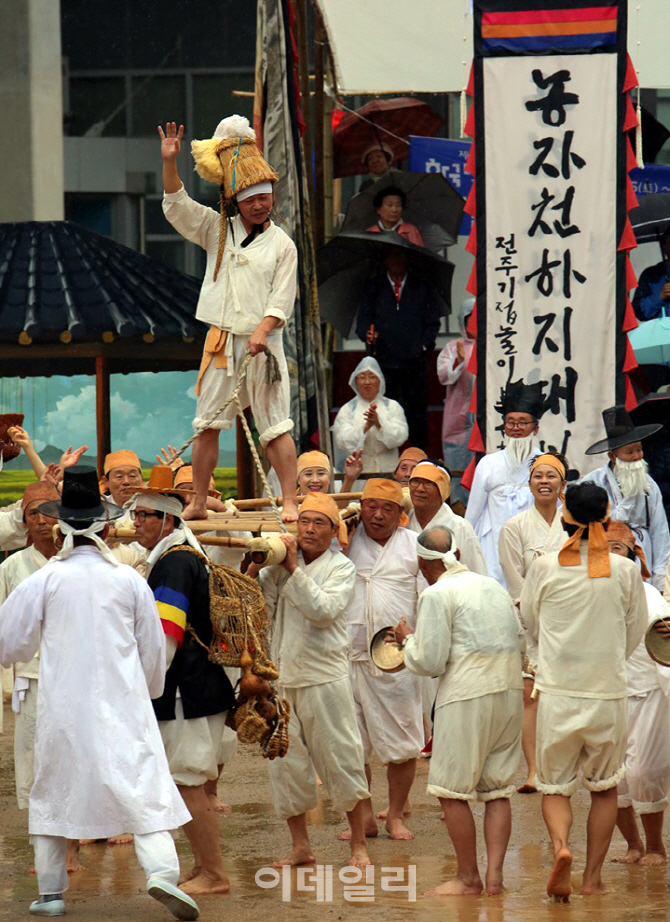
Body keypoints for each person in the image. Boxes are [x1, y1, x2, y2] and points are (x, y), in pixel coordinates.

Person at [0, 466, 197, 920]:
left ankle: (51, 892)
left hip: (62, 707)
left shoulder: (45, 579)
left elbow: (9, 643)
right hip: (122, 704)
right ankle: (162, 873)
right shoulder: (127, 580)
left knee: (53, 790)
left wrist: (40, 647)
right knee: (142, 784)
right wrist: (145, 693)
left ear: (60, 526)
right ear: (107, 527)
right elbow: (152, 653)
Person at [159, 117, 299, 523]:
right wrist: (170, 163)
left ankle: (289, 500)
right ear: (234, 199)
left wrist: (262, 330)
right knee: (207, 424)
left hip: (263, 344)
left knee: (275, 426)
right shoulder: (216, 229)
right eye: (250, 199)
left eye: (265, 197)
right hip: (221, 341)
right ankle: (200, 500)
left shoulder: (282, 244)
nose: (259, 204)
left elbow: (281, 298)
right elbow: (177, 205)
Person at [520, 482, 647, 900]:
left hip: (557, 692)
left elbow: (532, 624)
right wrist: (607, 660)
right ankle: (592, 880)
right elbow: (633, 634)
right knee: (605, 788)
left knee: (554, 787)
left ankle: (561, 848)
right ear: (605, 517)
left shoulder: (543, 566)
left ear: (564, 515)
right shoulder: (626, 571)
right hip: (607, 692)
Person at [395, 525, 522, 896]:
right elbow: (516, 636)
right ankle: (495, 877)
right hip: (509, 690)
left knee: (452, 791)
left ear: (422, 563)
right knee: (498, 789)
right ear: (459, 556)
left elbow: (429, 660)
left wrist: (407, 641)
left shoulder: (436, 594)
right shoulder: (492, 586)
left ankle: (468, 877)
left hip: (467, 695)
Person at [130, 467, 235, 896]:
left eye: (145, 515)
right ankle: (204, 867)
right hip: (194, 689)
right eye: (134, 514)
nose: (136, 521)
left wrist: (141, 687)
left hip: (183, 692)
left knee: (189, 782)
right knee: (186, 782)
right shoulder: (180, 557)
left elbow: (166, 638)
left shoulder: (174, 564)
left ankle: (215, 873)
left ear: (169, 521)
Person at [251, 493, 371, 868]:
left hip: (325, 678)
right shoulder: (276, 567)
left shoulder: (342, 568)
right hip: (283, 678)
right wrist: (254, 573)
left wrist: (294, 570)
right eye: (304, 521)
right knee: (285, 765)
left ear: (335, 531)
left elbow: (323, 611)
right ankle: (300, 846)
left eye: (320, 523)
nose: (310, 529)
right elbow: (262, 617)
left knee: (342, 758)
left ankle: (359, 848)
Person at [346, 479, 424, 840]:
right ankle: (363, 816)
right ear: (361, 506)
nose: (377, 514)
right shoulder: (344, 540)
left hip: (395, 657)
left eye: (387, 508)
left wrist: (419, 638)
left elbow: (428, 596)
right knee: (351, 742)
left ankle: (395, 814)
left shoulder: (414, 546)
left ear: (400, 514)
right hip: (348, 654)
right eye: (371, 506)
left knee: (403, 742)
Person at [498, 453, 568, 794]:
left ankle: (563, 766)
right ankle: (533, 770)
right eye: (538, 476)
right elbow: (515, 582)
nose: (544, 481)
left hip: (570, 621)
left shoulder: (574, 525)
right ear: (529, 484)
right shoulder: (514, 528)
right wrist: (535, 622)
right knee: (531, 696)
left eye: (551, 476)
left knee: (565, 695)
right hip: (528, 620)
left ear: (562, 484)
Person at [605, 521, 670, 867]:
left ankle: (657, 847)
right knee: (610, 777)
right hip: (607, 694)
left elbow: (665, 646)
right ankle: (634, 846)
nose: (612, 556)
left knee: (645, 772)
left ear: (633, 557)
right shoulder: (590, 590)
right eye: (606, 550)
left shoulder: (650, 595)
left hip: (648, 692)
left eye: (619, 549)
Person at [356, 247, 440, 449]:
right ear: (385, 259)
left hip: (414, 360)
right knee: (386, 409)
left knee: (417, 411)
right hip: (384, 359)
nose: (397, 261)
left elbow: (432, 323)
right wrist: (368, 335)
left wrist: (422, 344)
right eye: (392, 256)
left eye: (401, 256)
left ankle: (420, 453)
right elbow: (363, 322)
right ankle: (388, 450)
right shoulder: (373, 287)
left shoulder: (420, 286)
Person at [581, 405, 670, 592]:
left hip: (641, 554)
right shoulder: (593, 483)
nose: (637, 456)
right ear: (613, 456)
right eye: (630, 452)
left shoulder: (649, 486)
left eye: (639, 450)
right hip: (603, 555)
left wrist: (659, 578)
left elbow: (659, 532)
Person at [465, 381, 544, 587]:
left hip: (534, 544)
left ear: (535, 428)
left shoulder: (546, 464)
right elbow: (473, 511)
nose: (516, 428)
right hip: (493, 544)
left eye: (522, 422)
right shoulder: (489, 463)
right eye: (510, 422)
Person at [331, 357, 408, 481]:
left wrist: (379, 424)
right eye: (362, 377)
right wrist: (365, 427)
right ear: (355, 381)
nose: (367, 382)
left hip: (389, 473)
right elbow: (342, 441)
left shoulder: (392, 406)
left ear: (380, 381)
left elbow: (400, 437)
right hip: (359, 476)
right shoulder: (348, 409)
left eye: (372, 377)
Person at [408, 461, 487, 576]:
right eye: (415, 481)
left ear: (443, 490)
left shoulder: (460, 526)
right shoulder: (404, 521)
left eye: (428, 483)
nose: (420, 489)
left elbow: (477, 572)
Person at [436, 297, 476, 507]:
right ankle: (460, 508)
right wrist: (459, 361)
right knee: (458, 466)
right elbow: (444, 376)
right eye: (469, 319)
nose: (473, 323)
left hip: (483, 417)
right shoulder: (452, 347)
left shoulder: (493, 345)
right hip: (457, 420)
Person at [632, 229, 670, 321]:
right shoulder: (650, 275)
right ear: (664, 247)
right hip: (661, 333)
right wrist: (660, 297)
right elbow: (639, 312)